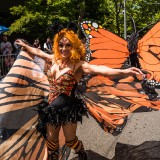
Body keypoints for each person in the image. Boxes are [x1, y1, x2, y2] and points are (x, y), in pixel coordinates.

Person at [15, 29, 143, 160]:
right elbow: (38, 52)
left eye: (68, 45)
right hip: (50, 109)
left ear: (74, 46)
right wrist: (25, 46)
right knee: (51, 142)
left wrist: (126, 71)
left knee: (70, 141)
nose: (63, 48)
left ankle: (80, 151)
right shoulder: (54, 59)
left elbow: (101, 69)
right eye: (61, 45)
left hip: (68, 110)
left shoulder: (79, 65)